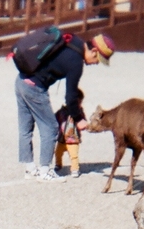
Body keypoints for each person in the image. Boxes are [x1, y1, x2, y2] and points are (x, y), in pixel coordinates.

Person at [16, 33, 115, 183]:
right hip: (34, 88)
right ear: (94, 50)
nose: (96, 63)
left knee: (25, 128)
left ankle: (30, 168)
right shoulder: (76, 62)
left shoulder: (73, 41)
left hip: (21, 80)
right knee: (50, 127)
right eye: (98, 59)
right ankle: (45, 171)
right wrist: (79, 119)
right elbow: (70, 97)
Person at [54, 87, 85, 178]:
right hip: (62, 138)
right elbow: (55, 120)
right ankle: (58, 164)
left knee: (74, 155)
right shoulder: (62, 111)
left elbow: (82, 122)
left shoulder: (79, 112)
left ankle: (75, 169)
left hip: (73, 138)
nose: (79, 105)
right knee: (58, 152)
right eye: (78, 102)